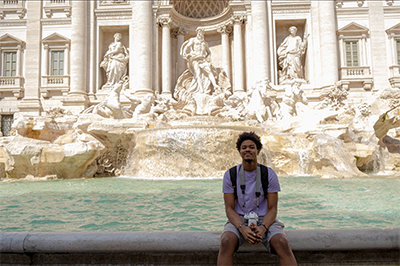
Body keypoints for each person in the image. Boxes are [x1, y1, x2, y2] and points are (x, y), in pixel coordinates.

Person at [217, 132, 297, 266]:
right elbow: (229, 209)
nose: (247, 149)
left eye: (251, 147)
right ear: (239, 151)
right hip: (239, 218)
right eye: (244, 147)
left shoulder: (269, 174)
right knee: (226, 242)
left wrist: (263, 228)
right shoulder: (230, 175)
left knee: (282, 243)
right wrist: (242, 228)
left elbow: (272, 209)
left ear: (258, 151)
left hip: (265, 219)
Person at [180, 27, 220, 94]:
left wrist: (208, 58)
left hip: (202, 59)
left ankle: (215, 85)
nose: (200, 33)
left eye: (201, 32)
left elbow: (209, 52)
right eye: (199, 32)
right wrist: (188, 54)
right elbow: (186, 47)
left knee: (209, 71)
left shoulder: (205, 43)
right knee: (197, 74)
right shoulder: (193, 40)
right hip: (195, 59)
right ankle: (201, 89)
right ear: (197, 32)